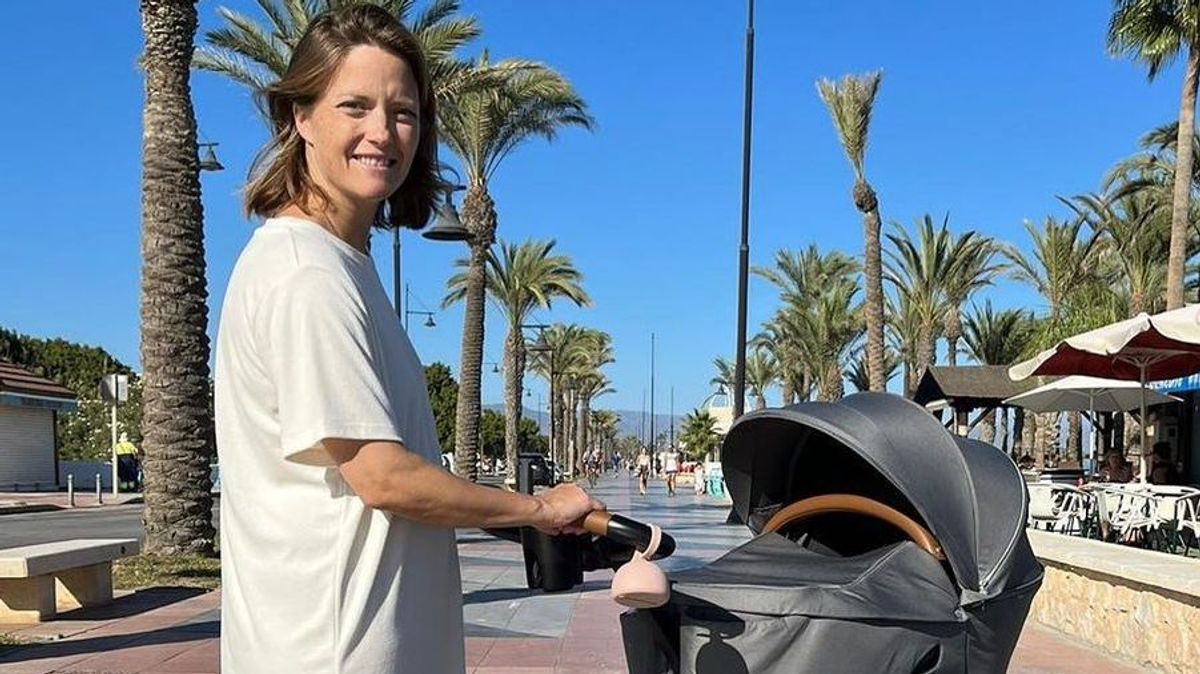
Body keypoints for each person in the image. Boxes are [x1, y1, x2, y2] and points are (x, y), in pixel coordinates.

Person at [212, 6, 604, 672]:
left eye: (404, 112)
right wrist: (536, 510)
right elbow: (384, 477)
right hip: (336, 650)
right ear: (300, 117)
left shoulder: (340, 264)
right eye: (354, 106)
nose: (382, 133)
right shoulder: (306, 274)